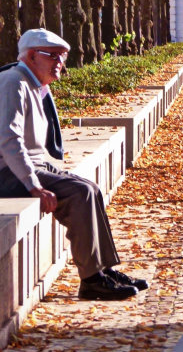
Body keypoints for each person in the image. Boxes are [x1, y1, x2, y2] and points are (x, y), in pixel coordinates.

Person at [0, 29, 148, 301]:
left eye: (62, 56)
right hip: (8, 173)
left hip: (32, 164)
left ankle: (103, 270)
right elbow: (8, 139)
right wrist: (34, 186)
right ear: (32, 56)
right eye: (53, 56)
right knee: (79, 195)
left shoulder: (34, 84)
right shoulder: (14, 82)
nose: (60, 62)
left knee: (90, 188)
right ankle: (91, 280)